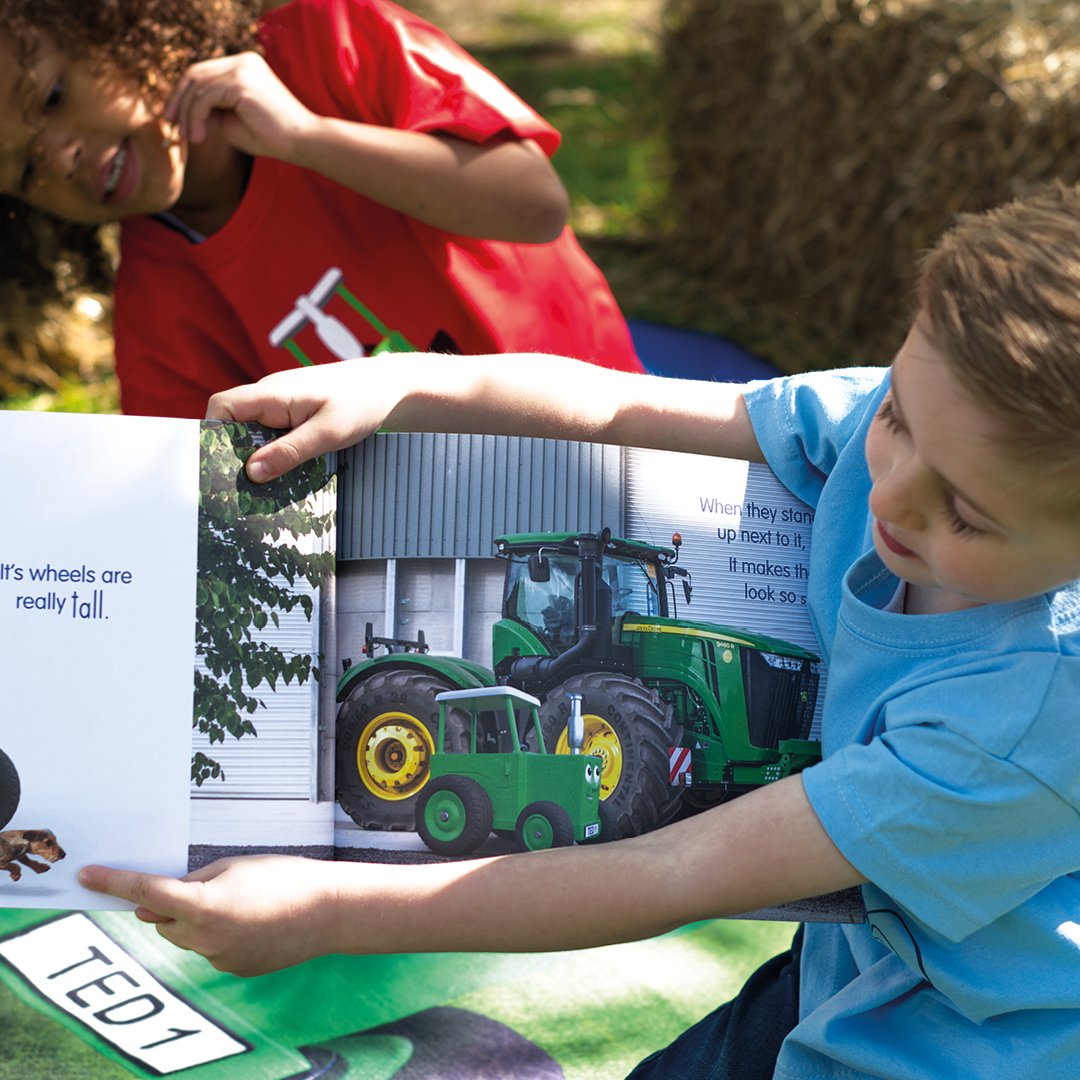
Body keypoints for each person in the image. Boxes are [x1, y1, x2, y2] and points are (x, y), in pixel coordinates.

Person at [81, 183, 1080, 1079]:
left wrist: (332, 909)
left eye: (967, 515)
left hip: (962, 1047)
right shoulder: (929, 423)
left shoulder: (1014, 728)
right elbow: (619, 403)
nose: (890, 501)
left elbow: (674, 868)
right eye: (897, 419)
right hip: (859, 970)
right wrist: (401, 386)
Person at [0, 0, 642, 419]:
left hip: (613, 423)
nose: (59, 157)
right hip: (455, 542)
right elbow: (215, 521)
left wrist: (304, 137)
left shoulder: (329, 38)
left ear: (115, 22)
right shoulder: (157, 318)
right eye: (26, 170)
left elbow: (536, 204)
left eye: (53, 95)